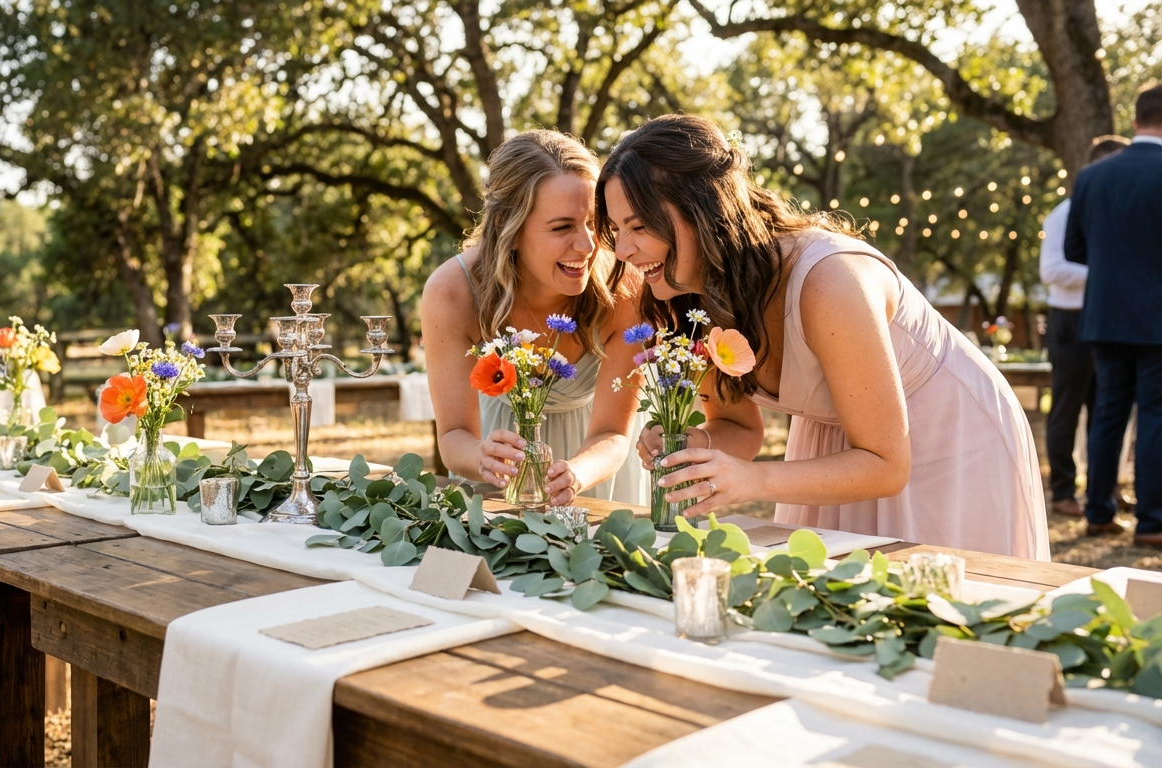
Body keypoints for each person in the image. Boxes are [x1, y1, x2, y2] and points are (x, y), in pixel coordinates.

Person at [600, 114, 1048, 560]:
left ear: (704, 209)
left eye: (639, 227)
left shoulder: (828, 280)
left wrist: (751, 480)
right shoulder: (688, 298)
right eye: (617, 230)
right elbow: (738, 427)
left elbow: (886, 463)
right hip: (837, 452)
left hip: (947, 439)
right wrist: (700, 448)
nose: (622, 250)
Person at [421, 130, 645, 505]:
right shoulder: (452, 293)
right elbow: (453, 435)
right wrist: (481, 457)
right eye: (562, 227)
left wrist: (575, 474)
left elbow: (613, 432)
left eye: (593, 222)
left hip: (600, 471)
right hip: (502, 477)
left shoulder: (623, 286)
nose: (588, 246)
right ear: (506, 227)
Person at [1065, 84, 1162, 548]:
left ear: (1137, 118)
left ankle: (1098, 512)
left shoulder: (1091, 177)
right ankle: (1152, 521)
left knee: (1108, 414)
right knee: (1156, 415)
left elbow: (1073, 249)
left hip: (1105, 314)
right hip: (1158, 317)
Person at [1039, 136, 1131, 519]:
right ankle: (1062, 491)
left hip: (1105, 321)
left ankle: (1103, 490)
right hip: (1070, 322)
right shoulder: (1064, 212)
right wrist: (1106, 276)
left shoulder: (1115, 214)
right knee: (1066, 408)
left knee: (1105, 410)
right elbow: (1051, 270)